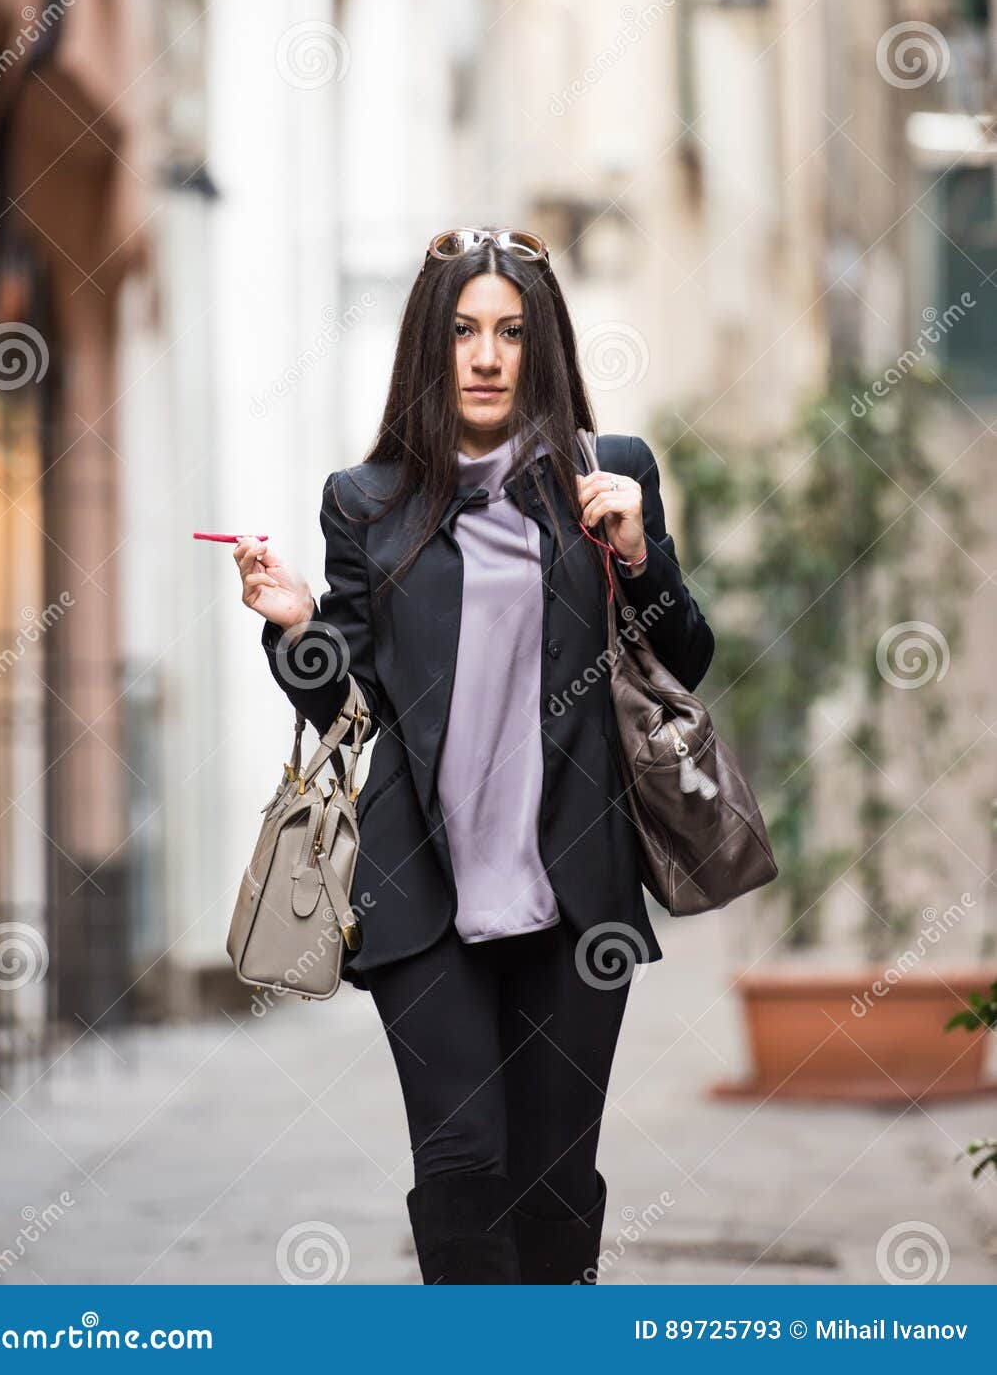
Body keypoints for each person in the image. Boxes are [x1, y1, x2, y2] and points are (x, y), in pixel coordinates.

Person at [234, 226, 714, 1285]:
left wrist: (641, 554)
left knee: (554, 1187)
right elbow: (346, 704)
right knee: (459, 1173)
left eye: (509, 332)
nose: (487, 355)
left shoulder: (608, 476)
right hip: (423, 899)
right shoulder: (364, 500)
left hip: (575, 894)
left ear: (540, 347)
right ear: (429, 348)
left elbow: (685, 656)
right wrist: (295, 622)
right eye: (462, 332)